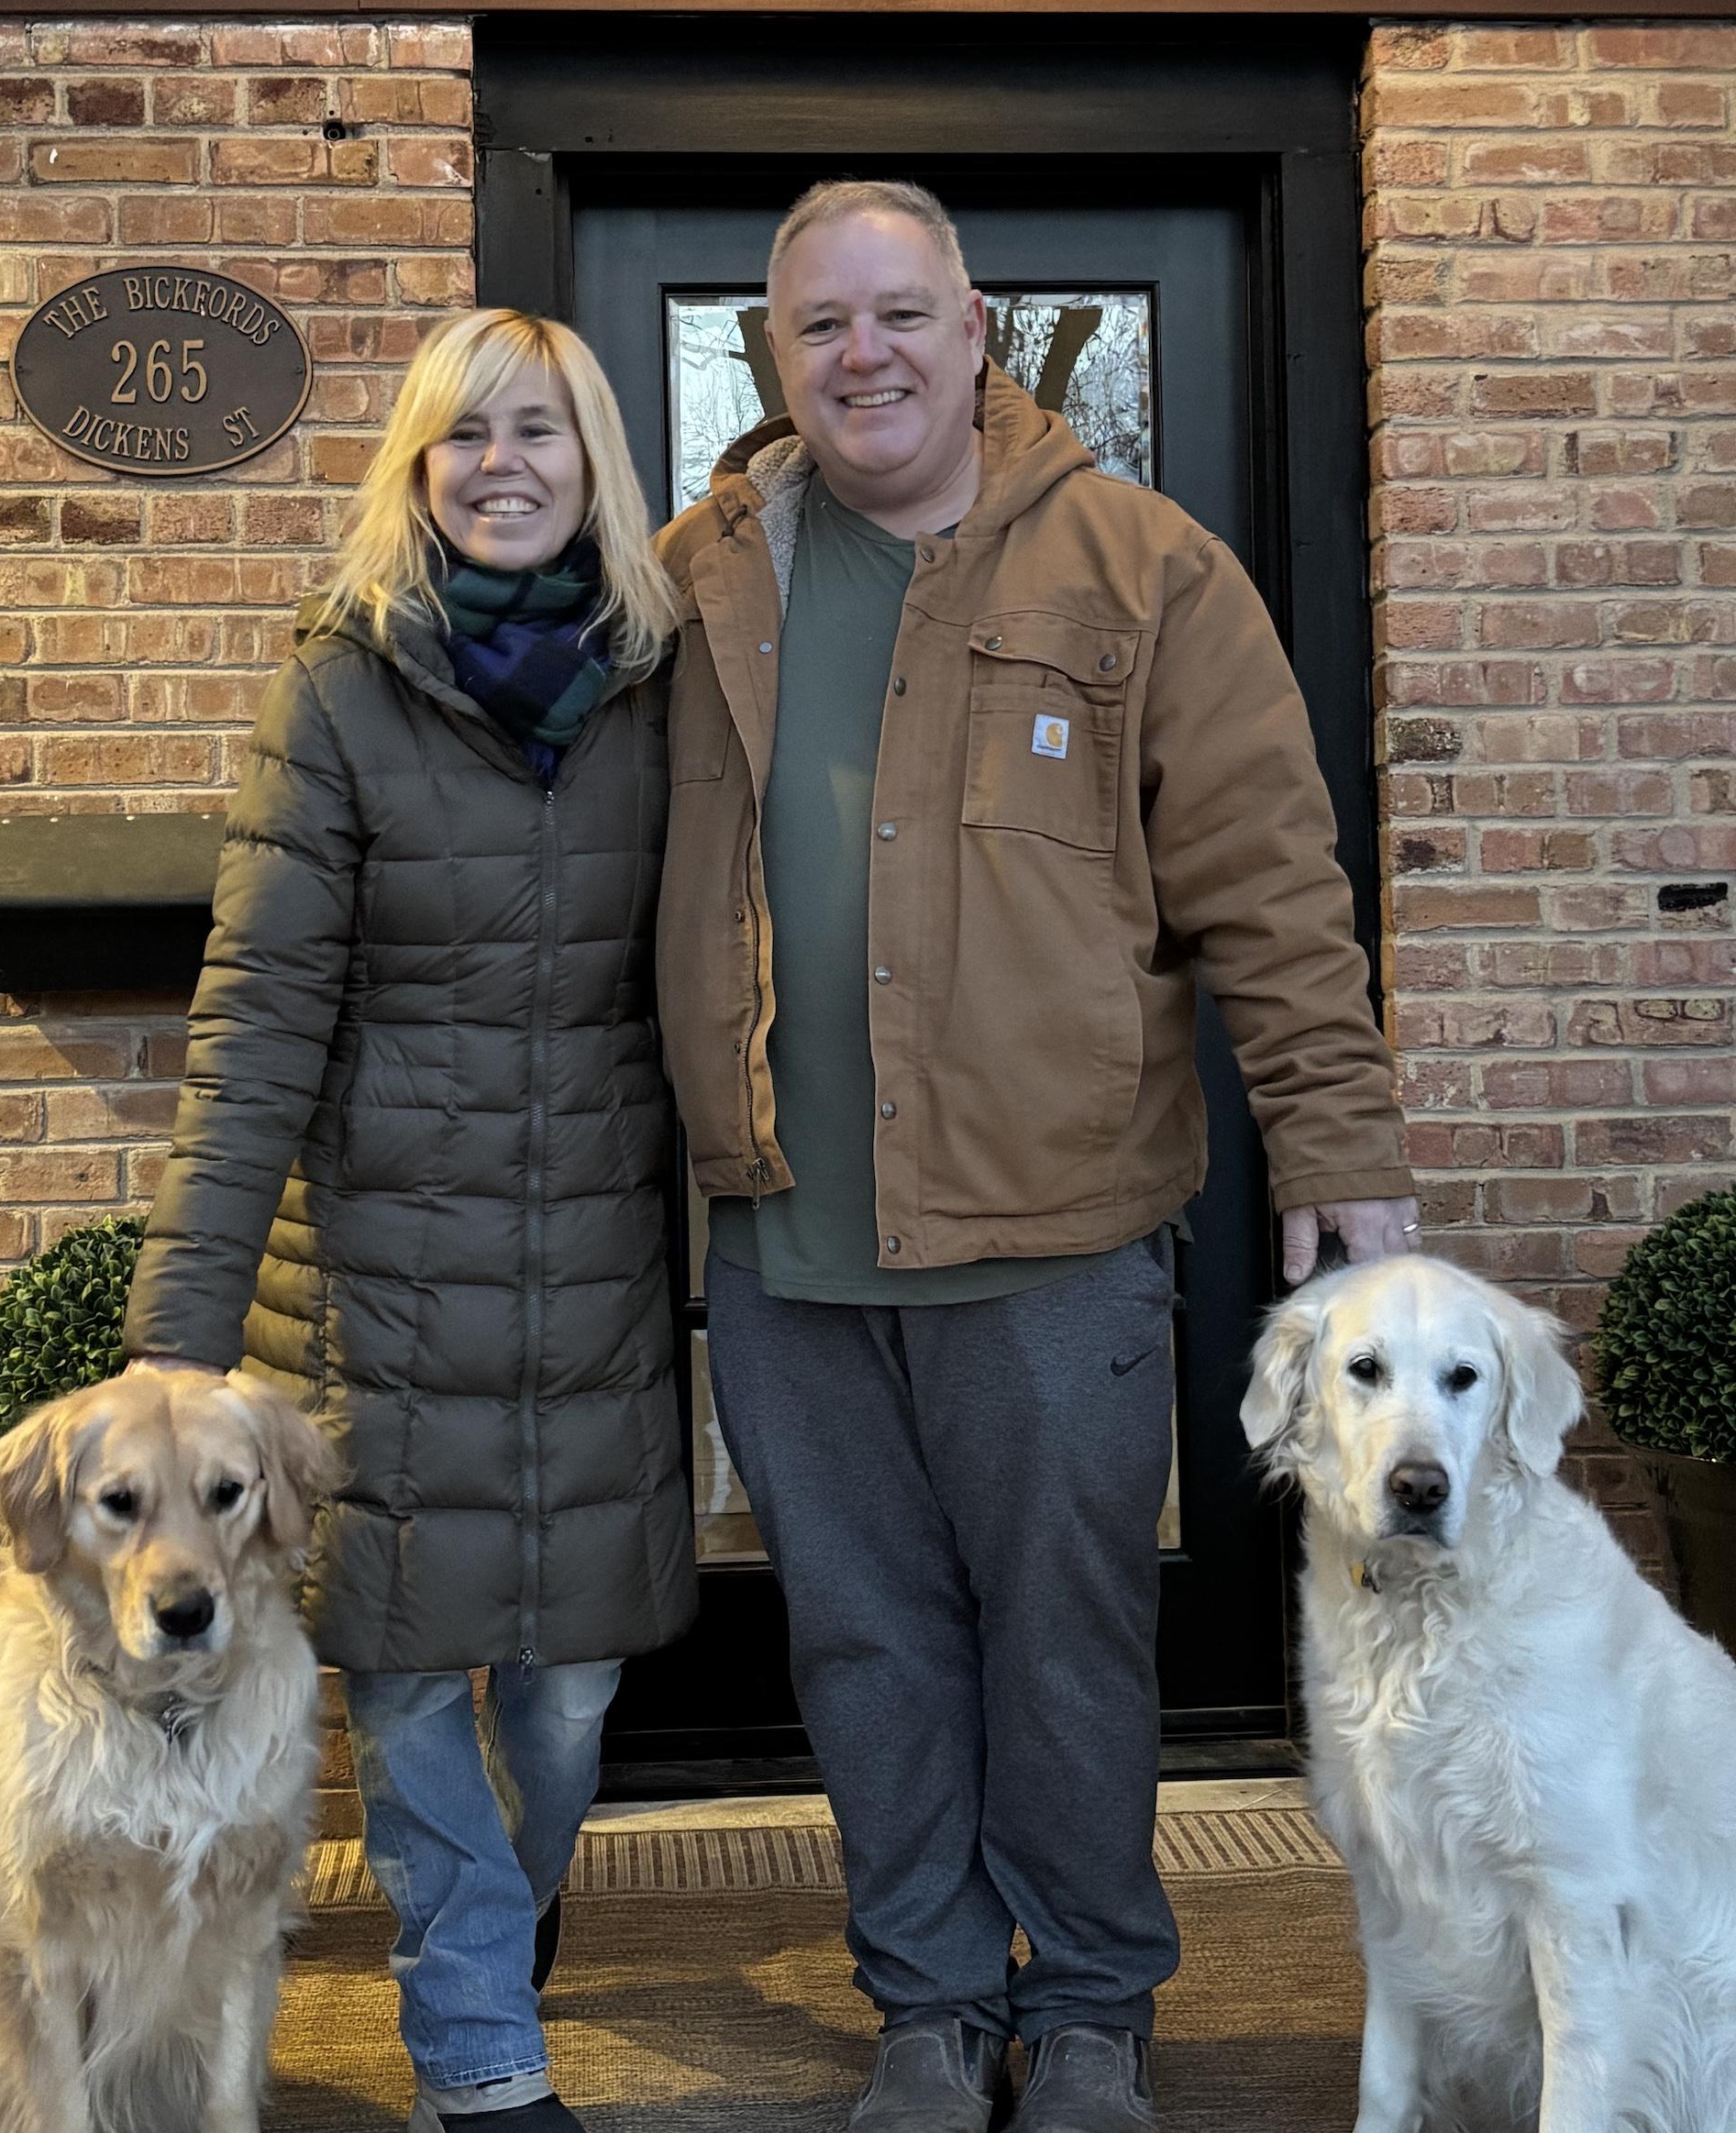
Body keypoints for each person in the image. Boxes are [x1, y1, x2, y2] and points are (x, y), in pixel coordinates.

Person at [653, 182, 1419, 2133]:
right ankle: (927, 2002)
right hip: (782, 1242)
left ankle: (1086, 2008)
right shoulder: (696, 575)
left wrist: (1334, 1127)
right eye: (820, 325)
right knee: (865, 1646)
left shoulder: (1141, 563)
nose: (864, 356)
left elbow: (1268, 873)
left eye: (899, 313)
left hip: (1055, 1232)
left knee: (1067, 1650)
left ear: (975, 325)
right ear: (773, 353)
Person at [123, 307, 696, 2133]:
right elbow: (257, 1017)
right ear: (417, 472)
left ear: (595, 462)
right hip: (372, 1283)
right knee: (402, 1671)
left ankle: (499, 1908)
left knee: (571, 1685)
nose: (502, 464)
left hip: (596, 1269)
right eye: (463, 436)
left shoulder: (665, 680)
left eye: (539, 431)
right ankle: (478, 2045)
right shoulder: (344, 682)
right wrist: (176, 1336)